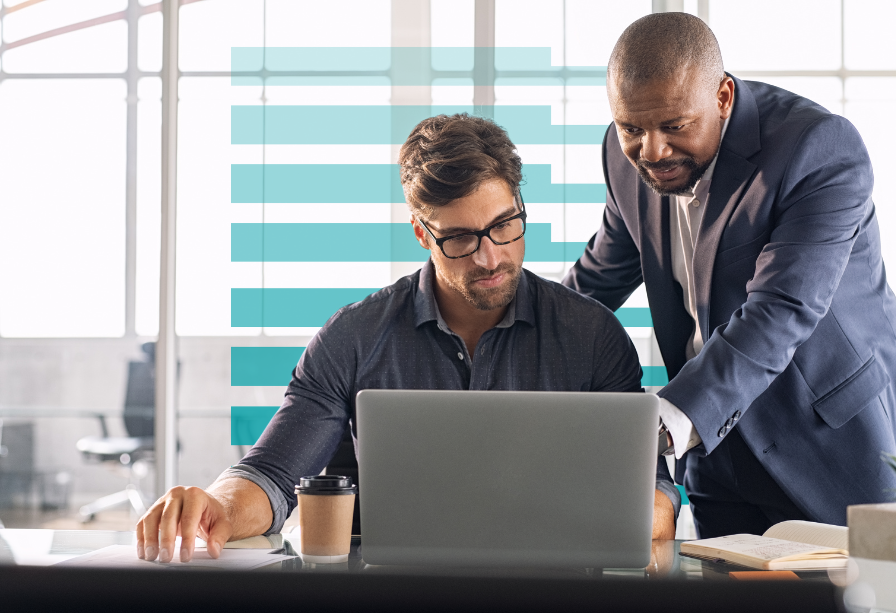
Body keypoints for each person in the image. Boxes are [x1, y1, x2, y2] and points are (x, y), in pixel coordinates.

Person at [137, 113, 679, 563]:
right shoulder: (353, 336)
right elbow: (274, 474)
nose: (491, 257)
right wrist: (217, 506)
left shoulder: (592, 336)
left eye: (505, 225)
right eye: (461, 238)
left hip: (548, 592)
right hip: (390, 591)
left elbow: (654, 500)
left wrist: (644, 507)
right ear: (422, 232)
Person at [563, 13, 896, 538]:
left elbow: (782, 309)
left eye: (674, 126)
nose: (650, 151)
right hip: (714, 453)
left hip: (828, 444)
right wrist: (515, 343)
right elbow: (595, 283)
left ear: (722, 98)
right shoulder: (622, 155)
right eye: (632, 129)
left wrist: (664, 423)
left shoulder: (819, 149)